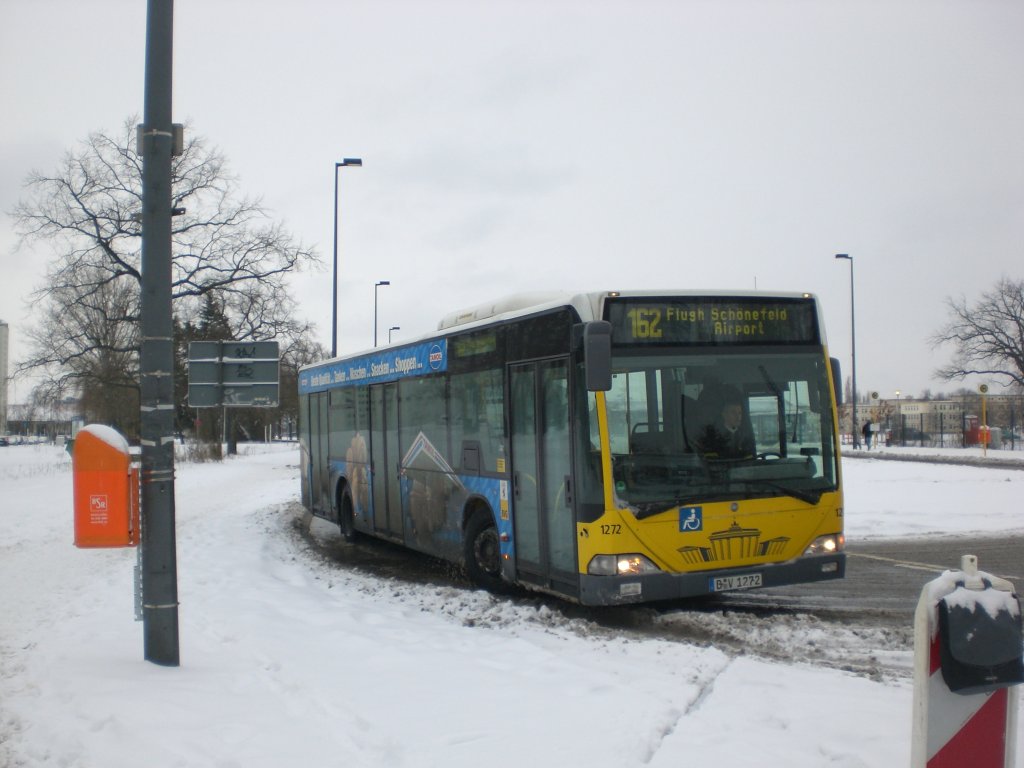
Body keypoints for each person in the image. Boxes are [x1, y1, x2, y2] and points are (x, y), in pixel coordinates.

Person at [697, 386, 756, 459]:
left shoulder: (745, 437)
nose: (738, 417)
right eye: (733, 413)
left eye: (740, 413)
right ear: (724, 414)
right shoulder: (713, 438)